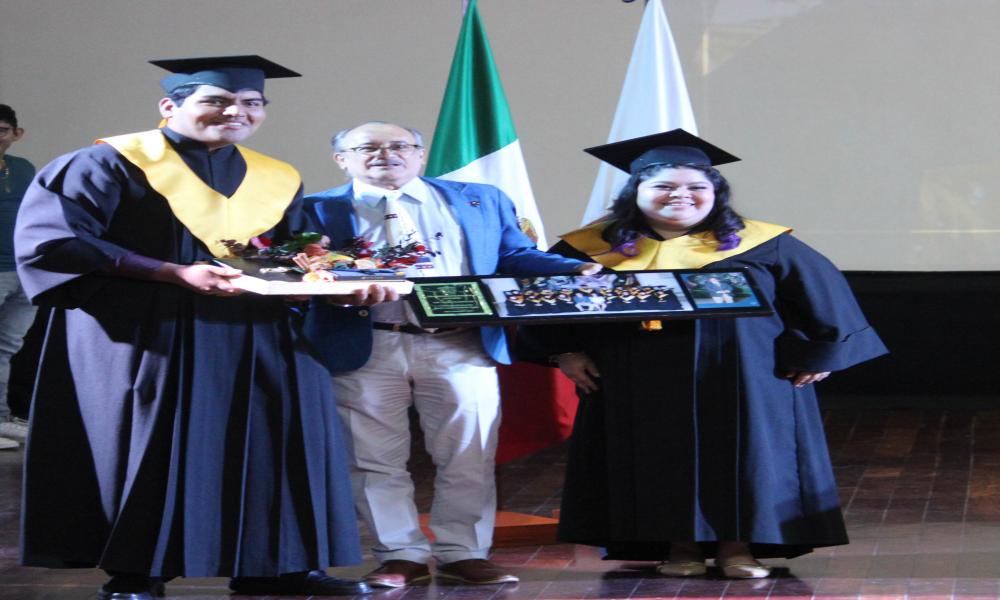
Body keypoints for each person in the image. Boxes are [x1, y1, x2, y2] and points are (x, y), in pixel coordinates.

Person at [13, 56, 392, 599]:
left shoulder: (276, 176)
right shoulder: (107, 164)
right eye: (216, 100)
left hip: (259, 331)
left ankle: (279, 566)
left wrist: (337, 281)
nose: (236, 111)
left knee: (280, 438)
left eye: (251, 103)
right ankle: (138, 572)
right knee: (154, 447)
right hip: (148, 332)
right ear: (170, 107)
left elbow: (293, 253)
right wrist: (170, 271)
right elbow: (57, 241)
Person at [521, 129, 888, 579]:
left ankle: (739, 549)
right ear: (636, 192)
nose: (682, 196)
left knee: (744, 456)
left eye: (698, 187)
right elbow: (539, 300)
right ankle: (680, 548)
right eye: (663, 187)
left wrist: (818, 355)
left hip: (747, 377)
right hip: (636, 379)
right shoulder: (589, 249)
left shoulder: (760, 242)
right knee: (656, 456)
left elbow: (824, 297)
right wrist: (564, 352)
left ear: (716, 192)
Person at [302, 121, 599, 588]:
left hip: (460, 342)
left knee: (468, 452)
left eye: (400, 145)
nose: (386, 154)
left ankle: (465, 552)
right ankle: (400, 554)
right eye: (368, 148)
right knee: (371, 457)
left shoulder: (478, 199)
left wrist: (577, 267)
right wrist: (329, 294)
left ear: (421, 155)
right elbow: (297, 275)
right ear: (342, 159)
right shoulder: (313, 209)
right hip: (367, 342)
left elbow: (514, 256)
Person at [0, 104, 35, 450]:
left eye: (2, 130)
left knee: (8, 347)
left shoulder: (23, 168)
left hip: (23, 270)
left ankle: (1, 419)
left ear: (15, 134)